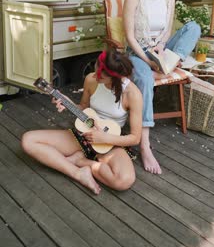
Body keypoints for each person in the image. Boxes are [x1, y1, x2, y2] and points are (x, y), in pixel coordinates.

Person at [21, 48, 143, 195]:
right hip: (84, 133)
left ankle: (81, 161)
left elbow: (135, 138)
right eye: (96, 70)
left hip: (111, 141)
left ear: (114, 77)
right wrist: (66, 103)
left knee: (124, 181)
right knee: (29, 140)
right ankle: (78, 173)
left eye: (102, 77)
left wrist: (105, 138)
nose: (96, 77)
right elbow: (84, 107)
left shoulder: (132, 94)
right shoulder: (91, 79)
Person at [123, 0, 201, 174]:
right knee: (145, 78)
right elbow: (129, 36)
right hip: (138, 52)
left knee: (194, 27)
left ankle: (166, 65)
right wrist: (148, 59)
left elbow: (167, 30)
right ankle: (144, 145)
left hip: (161, 50)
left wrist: (162, 48)